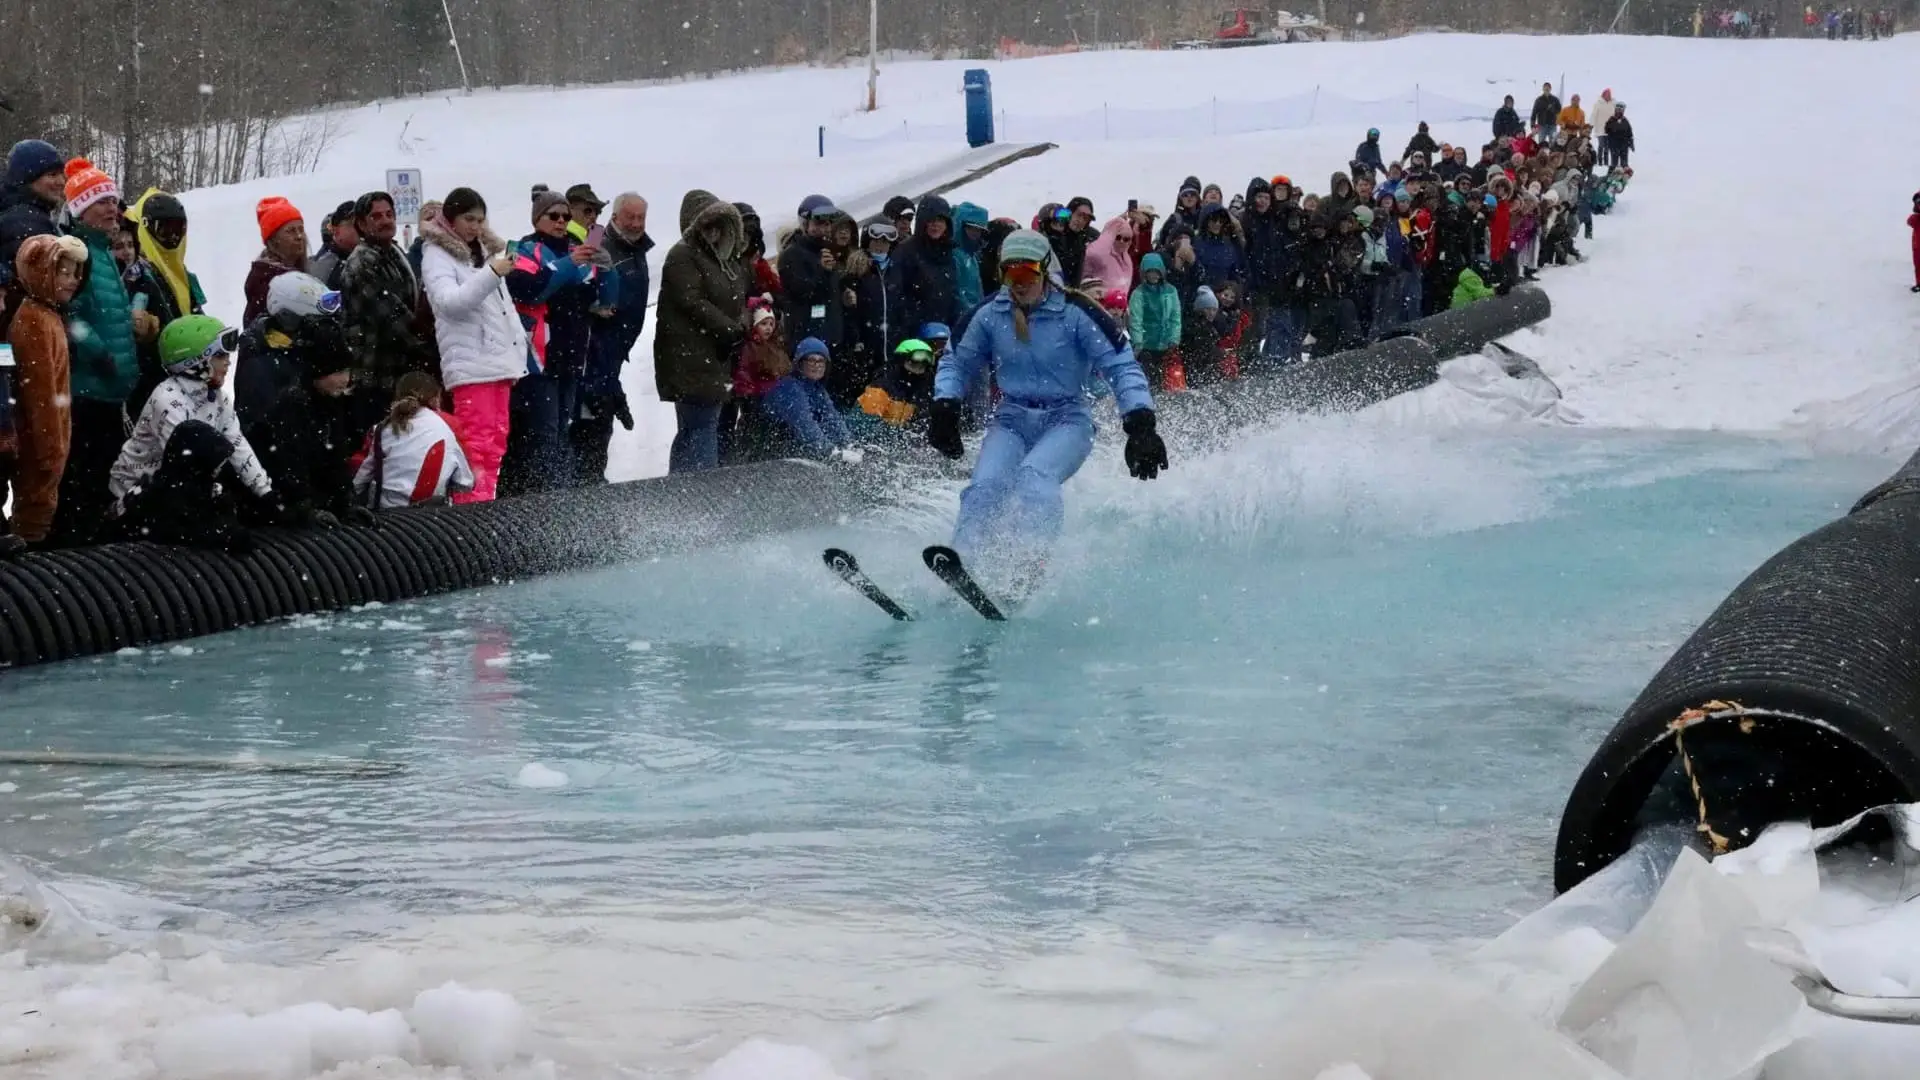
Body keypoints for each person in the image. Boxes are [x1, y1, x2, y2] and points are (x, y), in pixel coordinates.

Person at [925, 229, 1166, 575]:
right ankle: (965, 566)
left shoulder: (1077, 311)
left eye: (1026, 273)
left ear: (1044, 271)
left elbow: (1121, 365)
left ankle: (1029, 567)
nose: (1018, 283)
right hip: (1012, 419)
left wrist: (1140, 424)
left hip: (1067, 419)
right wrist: (945, 406)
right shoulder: (991, 313)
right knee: (984, 487)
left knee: (1034, 478)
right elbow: (956, 361)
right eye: (1010, 274)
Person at [107, 316, 276, 552]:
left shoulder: (218, 397)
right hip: (140, 493)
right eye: (220, 356)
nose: (228, 362)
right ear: (196, 362)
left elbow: (237, 444)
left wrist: (265, 493)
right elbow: (184, 469)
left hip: (181, 483)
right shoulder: (168, 401)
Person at [48, 160, 150, 546]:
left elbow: (110, 312)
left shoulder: (104, 252)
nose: (112, 209)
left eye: (113, 200)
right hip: (88, 391)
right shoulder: (80, 255)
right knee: (87, 478)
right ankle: (78, 553)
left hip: (111, 392)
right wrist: (102, 355)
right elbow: (71, 316)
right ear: (80, 210)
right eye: (100, 202)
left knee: (107, 474)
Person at [414, 187, 524, 503]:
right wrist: (491, 274)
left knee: (495, 443)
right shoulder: (436, 255)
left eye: (479, 220)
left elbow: (504, 310)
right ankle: (470, 514)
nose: (475, 227)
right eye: (468, 219)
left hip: (497, 362)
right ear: (451, 218)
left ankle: (483, 505)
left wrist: (518, 349)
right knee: (476, 445)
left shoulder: (485, 251)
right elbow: (450, 303)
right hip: (470, 365)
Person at [500, 188, 608, 494]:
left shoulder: (574, 249)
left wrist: (603, 269)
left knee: (562, 432)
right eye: (553, 216)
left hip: (570, 358)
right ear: (538, 219)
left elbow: (596, 299)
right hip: (538, 361)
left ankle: (556, 499)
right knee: (542, 437)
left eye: (565, 215)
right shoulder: (526, 248)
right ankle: (545, 503)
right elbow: (530, 289)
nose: (561, 221)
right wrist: (568, 265)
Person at [235, 272, 361, 525]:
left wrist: (343, 499)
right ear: (291, 319)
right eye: (319, 322)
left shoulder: (311, 357)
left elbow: (330, 437)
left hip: (307, 490)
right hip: (274, 501)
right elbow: (276, 446)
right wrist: (300, 506)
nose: (327, 330)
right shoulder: (262, 364)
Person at [654, 190, 746, 473]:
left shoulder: (722, 260)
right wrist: (730, 329)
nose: (713, 231)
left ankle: (685, 490)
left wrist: (739, 324)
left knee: (699, 427)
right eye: (706, 224)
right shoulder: (683, 255)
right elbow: (692, 301)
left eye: (719, 224)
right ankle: (700, 490)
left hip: (712, 356)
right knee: (700, 427)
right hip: (689, 356)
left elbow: (733, 298)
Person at [6, 234, 85, 546]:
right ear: (39, 272)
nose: (72, 281)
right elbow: (41, 397)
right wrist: (51, 451)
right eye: (62, 273)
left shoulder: (47, 314)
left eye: (75, 273)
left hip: (48, 443)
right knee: (36, 511)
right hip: (40, 446)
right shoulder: (35, 321)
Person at [341, 191, 437, 432]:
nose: (385, 221)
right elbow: (395, 320)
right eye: (376, 217)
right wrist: (431, 350)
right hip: (376, 377)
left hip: (400, 373)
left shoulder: (393, 251)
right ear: (362, 224)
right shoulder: (361, 264)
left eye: (389, 214)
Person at [573, 191, 651, 483]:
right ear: (615, 217)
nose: (636, 223)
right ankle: (586, 493)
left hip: (612, 353)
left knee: (601, 426)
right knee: (589, 427)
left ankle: (593, 487)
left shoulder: (636, 248)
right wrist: (595, 307)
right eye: (629, 217)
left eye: (641, 217)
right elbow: (580, 288)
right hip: (591, 351)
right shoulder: (597, 242)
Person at [352, 371, 474, 509]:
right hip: (430, 517)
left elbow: (361, 478)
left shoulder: (382, 428)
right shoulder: (446, 426)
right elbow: (465, 482)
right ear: (435, 398)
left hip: (385, 516)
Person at [762, 336, 854, 460]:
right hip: (769, 453)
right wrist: (832, 452)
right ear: (800, 363)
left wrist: (850, 445)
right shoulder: (790, 387)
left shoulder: (817, 389)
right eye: (811, 360)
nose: (817, 365)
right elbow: (805, 425)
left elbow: (831, 418)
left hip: (793, 449)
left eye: (821, 361)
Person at [843, 221, 903, 408]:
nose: (880, 245)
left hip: (892, 345)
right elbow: (850, 311)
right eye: (876, 240)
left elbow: (903, 307)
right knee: (865, 394)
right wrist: (857, 340)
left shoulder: (896, 270)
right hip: (867, 346)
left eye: (885, 242)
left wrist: (902, 334)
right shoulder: (857, 270)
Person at [777, 198, 844, 354]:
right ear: (805, 224)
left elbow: (830, 296)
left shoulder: (828, 251)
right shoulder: (792, 255)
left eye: (828, 224)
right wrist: (823, 272)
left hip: (832, 337)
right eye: (819, 223)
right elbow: (801, 293)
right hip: (806, 340)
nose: (825, 228)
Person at [0, 140, 64, 301]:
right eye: (52, 175)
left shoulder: (26, 214)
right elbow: (46, 288)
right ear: (28, 178)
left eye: (61, 174)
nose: (61, 181)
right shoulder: (26, 222)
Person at [897, 194, 960, 346]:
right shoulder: (906, 251)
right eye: (931, 220)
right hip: (914, 335)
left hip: (944, 334)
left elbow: (952, 294)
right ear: (922, 223)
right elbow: (898, 295)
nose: (935, 225)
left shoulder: (948, 252)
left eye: (940, 220)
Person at [856, 337, 938, 438]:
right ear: (901, 360)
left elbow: (923, 424)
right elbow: (864, 427)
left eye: (923, 365)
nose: (919, 368)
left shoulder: (921, 393)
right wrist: (898, 433)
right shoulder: (879, 389)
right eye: (915, 363)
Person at [244, 197, 308, 324]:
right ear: (273, 240)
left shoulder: (303, 270)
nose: (299, 236)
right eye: (291, 231)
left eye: (301, 229)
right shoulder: (264, 280)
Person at [1128, 252, 1183, 390]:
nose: (1153, 276)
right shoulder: (1139, 293)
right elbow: (1136, 319)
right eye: (1150, 272)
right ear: (1144, 273)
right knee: (1148, 376)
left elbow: (1175, 317)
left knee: (1165, 376)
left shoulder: (1171, 291)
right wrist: (1138, 341)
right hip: (1146, 344)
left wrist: (1174, 337)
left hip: (1166, 343)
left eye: (1156, 272)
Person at [1079, 214, 1136, 294]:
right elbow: (1093, 254)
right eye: (1118, 237)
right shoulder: (1101, 253)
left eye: (1126, 239)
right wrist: (1113, 226)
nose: (1121, 241)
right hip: (1096, 302)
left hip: (1118, 305)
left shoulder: (1127, 260)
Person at [952, 201, 990, 316]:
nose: (975, 233)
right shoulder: (954, 256)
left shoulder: (972, 255)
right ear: (960, 226)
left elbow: (978, 291)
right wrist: (971, 313)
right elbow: (957, 293)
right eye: (971, 228)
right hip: (963, 319)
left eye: (979, 230)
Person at [309, 201, 358, 289]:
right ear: (336, 231)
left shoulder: (369, 253)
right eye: (353, 224)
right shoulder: (327, 268)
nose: (360, 228)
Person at [1602, 104, 1634, 169]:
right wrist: (1606, 144)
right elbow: (1606, 131)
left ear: (1623, 111)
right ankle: (1610, 176)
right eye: (1617, 109)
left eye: (1621, 110)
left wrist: (1631, 143)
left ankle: (1624, 176)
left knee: (1624, 163)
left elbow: (1629, 133)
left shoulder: (1625, 120)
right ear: (1615, 110)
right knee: (1614, 163)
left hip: (1624, 145)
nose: (1619, 111)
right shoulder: (1611, 119)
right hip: (1614, 144)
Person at [1908, 192, 1920, 294]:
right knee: (1918, 265)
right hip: (1917, 246)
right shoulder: (1916, 218)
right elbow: (1909, 221)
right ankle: (1919, 283)